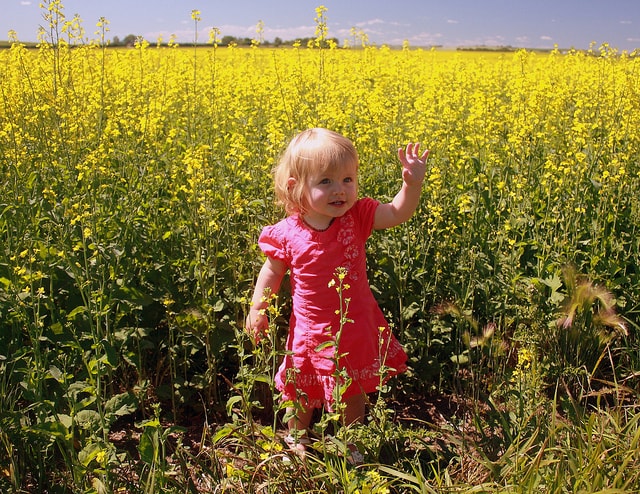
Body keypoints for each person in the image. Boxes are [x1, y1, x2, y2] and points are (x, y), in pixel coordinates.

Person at [245, 128, 429, 452]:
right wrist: (259, 309)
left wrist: (411, 185)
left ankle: (353, 442)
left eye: (347, 180)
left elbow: (398, 212)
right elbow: (271, 272)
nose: (339, 191)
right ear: (295, 187)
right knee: (299, 389)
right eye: (325, 181)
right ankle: (296, 439)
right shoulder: (287, 233)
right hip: (309, 329)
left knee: (353, 391)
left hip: (353, 325)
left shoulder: (357, 217)